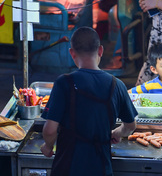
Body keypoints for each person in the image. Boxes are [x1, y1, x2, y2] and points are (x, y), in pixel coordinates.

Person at [40, 27, 137, 176]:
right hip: (101, 168)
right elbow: (130, 125)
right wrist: (117, 133)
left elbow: (50, 130)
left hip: (68, 167)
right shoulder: (117, 85)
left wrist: (48, 146)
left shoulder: (64, 83)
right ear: (100, 51)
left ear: (72, 53)